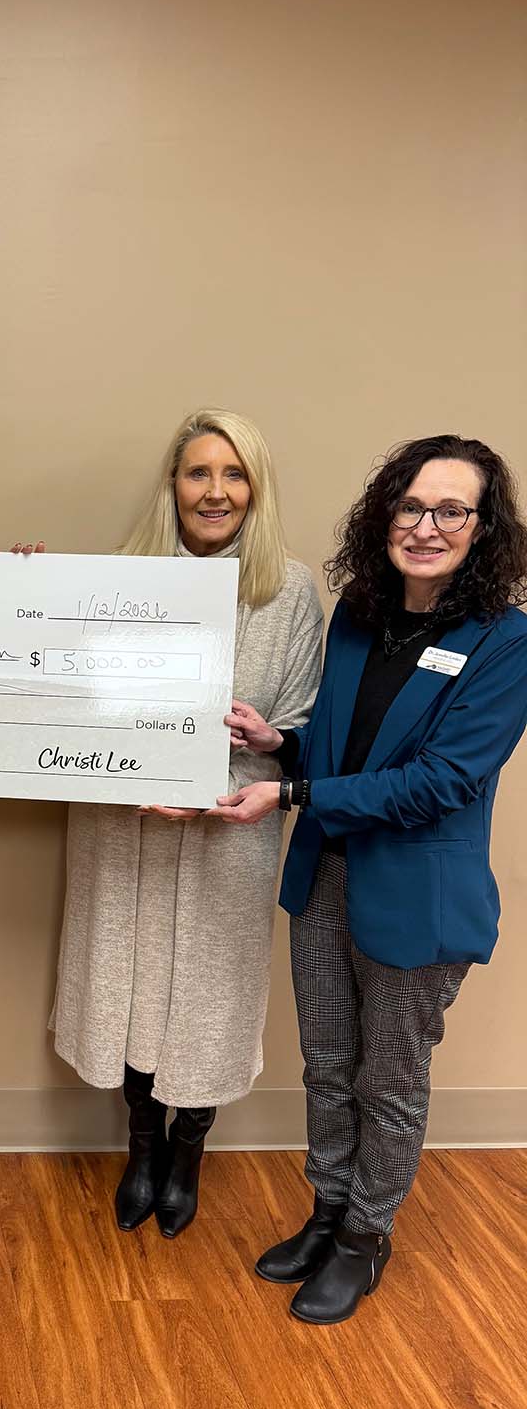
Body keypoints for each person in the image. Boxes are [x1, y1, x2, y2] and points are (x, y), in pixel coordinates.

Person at [219, 434, 527, 1323]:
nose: (425, 526)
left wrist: (293, 791)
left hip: (416, 899)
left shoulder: (506, 643)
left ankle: (366, 1236)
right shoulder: (358, 614)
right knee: (326, 1064)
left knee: (388, 1081)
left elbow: (439, 782)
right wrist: (282, 745)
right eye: (410, 506)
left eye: (451, 510)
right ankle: (326, 1213)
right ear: (384, 514)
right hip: (327, 874)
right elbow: (352, 750)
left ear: (482, 527)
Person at [27, 409, 322, 1238]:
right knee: (125, 982)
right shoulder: (115, 579)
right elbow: (64, 697)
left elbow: (299, 718)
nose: (216, 491)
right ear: (173, 484)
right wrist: (25, 595)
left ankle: (189, 1150)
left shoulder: (288, 589)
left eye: (234, 474)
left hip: (232, 819)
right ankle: (143, 1145)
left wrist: (255, 752)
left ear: (254, 488)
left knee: (206, 994)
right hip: (123, 819)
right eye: (199, 472)